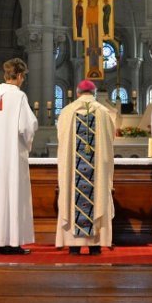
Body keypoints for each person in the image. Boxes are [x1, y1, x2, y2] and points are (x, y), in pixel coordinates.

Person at [0, 58, 39, 254]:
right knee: (13, 196)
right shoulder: (19, 97)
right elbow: (27, 126)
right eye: (23, 77)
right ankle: (13, 242)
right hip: (11, 157)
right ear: (19, 76)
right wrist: (28, 141)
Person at [55, 80, 117, 254]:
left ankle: (73, 245)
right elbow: (110, 139)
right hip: (97, 171)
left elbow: (61, 138)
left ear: (77, 93)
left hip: (73, 170)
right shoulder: (104, 113)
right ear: (94, 93)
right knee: (97, 196)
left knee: (71, 195)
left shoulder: (67, 112)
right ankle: (96, 244)